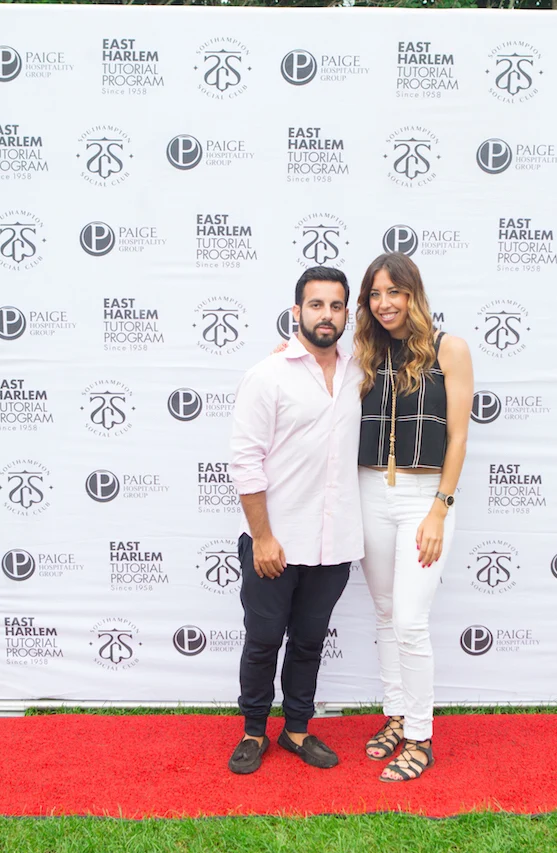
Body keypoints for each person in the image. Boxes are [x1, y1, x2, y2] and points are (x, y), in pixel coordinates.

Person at [227, 266, 364, 775]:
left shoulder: (360, 374)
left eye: (335, 306)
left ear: (347, 315)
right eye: (316, 304)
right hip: (276, 543)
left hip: (333, 543)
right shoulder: (267, 375)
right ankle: (253, 731)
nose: (326, 315)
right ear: (296, 312)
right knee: (263, 641)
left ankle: (297, 729)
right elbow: (246, 462)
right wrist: (262, 537)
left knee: (309, 642)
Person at [355, 252, 473, 782]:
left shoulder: (450, 349)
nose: (385, 304)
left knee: (409, 619)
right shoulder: (365, 352)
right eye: (375, 294)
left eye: (394, 292)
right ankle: (396, 715)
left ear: (413, 294)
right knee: (385, 614)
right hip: (369, 491)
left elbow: (459, 437)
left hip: (425, 496)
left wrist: (439, 510)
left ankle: (420, 739)